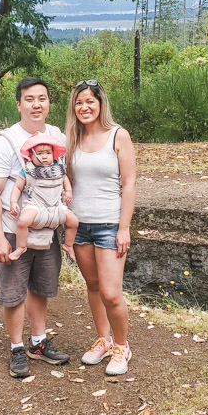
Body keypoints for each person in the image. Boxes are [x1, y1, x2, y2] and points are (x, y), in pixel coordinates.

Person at [0, 77, 71, 378]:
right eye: (30, 99)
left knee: (40, 287)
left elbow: (61, 176)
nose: (37, 104)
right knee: (13, 292)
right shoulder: (5, 142)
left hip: (47, 230)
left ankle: (38, 342)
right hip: (13, 229)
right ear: (19, 103)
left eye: (42, 98)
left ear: (49, 103)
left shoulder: (57, 136)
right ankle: (17, 347)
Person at [66, 79, 137, 375]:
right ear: (74, 107)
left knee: (111, 292)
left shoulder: (118, 135)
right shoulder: (71, 138)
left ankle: (122, 346)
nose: (85, 107)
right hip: (80, 226)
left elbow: (129, 183)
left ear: (100, 104)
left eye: (90, 101)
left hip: (109, 225)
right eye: (79, 102)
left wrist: (124, 227)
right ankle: (103, 340)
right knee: (93, 287)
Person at [8, 133, 80, 262]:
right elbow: (17, 187)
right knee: (23, 221)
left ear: (54, 154)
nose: (44, 156)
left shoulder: (58, 169)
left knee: (74, 221)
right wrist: (13, 202)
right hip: (36, 205)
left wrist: (68, 192)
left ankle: (68, 245)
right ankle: (21, 247)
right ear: (30, 156)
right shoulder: (28, 171)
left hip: (57, 207)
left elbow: (65, 180)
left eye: (48, 152)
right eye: (40, 153)